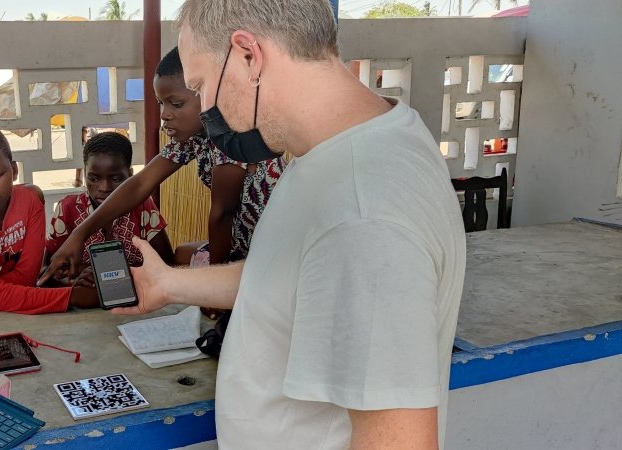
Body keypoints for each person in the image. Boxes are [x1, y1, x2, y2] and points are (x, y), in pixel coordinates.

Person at [115, 0, 467, 449]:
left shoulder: (363, 211)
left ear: (248, 54)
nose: (203, 108)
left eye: (201, 85)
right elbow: (294, 274)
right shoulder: (340, 148)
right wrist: (171, 284)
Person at [40, 47, 285, 294]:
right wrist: (79, 234)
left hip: (274, 254)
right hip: (242, 249)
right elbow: (139, 184)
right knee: (182, 260)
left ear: (209, 93)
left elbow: (222, 214)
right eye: (161, 103)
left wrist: (215, 287)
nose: (165, 115)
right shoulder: (197, 136)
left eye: (176, 104)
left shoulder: (235, 132)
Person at [0, 123, 100, 314]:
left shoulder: (30, 201)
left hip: (7, 306)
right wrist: (73, 296)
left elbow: (27, 277)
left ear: (14, 171)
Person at [46, 131, 175, 270]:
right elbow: (46, 271)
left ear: (130, 175)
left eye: (115, 179)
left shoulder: (142, 206)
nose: (104, 188)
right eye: (93, 179)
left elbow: (167, 263)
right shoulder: (67, 209)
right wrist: (78, 277)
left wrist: (125, 274)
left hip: (137, 290)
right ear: (85, 174)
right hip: (83, 292)